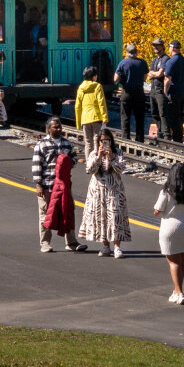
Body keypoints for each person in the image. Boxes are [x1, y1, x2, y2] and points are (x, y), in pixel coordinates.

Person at [31, 117, 85, 252]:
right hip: (47, 185)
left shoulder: (67, 143)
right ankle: (45, 243)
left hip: (64, 186)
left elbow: (73, 158)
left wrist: (68, 162)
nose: (58, 129)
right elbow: (36, 165)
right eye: (55, 127)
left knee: (68, 212)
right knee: (46, 213)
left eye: (60, 127)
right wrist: (38, 185)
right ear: (49, 129)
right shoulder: (41, 144)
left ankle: (71, 242)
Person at [153, 162, 184, 305]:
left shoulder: (167, 190)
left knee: (173, 262)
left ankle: (180, 293)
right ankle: (176, 290)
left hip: (170, 227)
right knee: (181, 261)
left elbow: (157, 211)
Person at [81, 127, 131, 257]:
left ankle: (117, 247)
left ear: (111, 141)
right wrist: (99, 156)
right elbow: (90, 170)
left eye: (107, 140)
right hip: (97, 191)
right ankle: (105, 246)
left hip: (114, 190)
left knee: (115, 216)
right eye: (102, 141)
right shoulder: (93, 153)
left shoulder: (118, 153)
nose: (104, 143)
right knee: (100, 217)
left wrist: (112, 157)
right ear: (98, 142)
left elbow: (121, 169)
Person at [113, 43, 148, 141]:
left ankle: (125, 137)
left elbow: (115, 78)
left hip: (127, 92)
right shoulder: (142, 63)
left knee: (125, 116)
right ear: (136, 52)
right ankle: (140, 138)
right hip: (139, 92)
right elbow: (145, 78)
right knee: (139, 116)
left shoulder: (123, 63)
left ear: (127, 53)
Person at [74, 66, 107, 150]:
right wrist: (105, 117)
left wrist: (78, 123)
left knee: (88, 143)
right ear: (94, 76)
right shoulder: (98, 86)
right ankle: (96, 161)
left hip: (85, 119)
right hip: (96, 118)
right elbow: (101, 103)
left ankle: (89, 162)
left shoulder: (81, 88)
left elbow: (77, 106)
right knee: (97, 141)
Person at [162, 40, 184, 142]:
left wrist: (165, 91)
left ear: (172, 48)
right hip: (182, 92)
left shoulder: (171, 61)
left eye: (169, 47)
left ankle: (176, 140)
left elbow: (167, 79)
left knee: (172, 118)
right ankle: (179, 138)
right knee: (179, 117)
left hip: (173, 93)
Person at [145, 38, 168, 139]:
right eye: (154, 45)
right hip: (153, 89)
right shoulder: (155, 60)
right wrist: (155, 74)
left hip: (160, 89)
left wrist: (155, 74)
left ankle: (166, 133)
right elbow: (149, 76)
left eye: (157, 45)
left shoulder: (165, 59)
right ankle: (160, 132)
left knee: (162, 112)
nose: (155, 47)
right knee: (154, 112)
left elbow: (160, 74)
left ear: (162, 46)